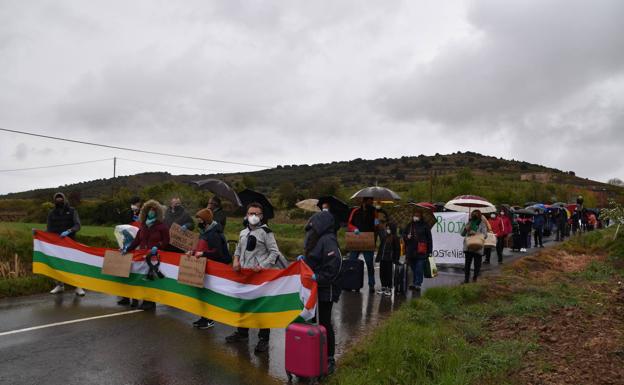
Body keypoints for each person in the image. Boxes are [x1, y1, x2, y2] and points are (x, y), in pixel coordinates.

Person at [225, 202, 286, 353]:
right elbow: (238, 249)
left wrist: (262, 266)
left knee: (262, 307)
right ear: (246, 215)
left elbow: (274, 253)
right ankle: (242, 333)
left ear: (261, 216)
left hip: (260, 276)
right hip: (244, 275)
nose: (253, 216)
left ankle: (264, 339)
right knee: (243, 304)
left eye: (256, 213)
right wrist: (235, 260)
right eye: (250, 213)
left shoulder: (266, 232)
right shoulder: (243, 232)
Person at [299, 210, 342, 373]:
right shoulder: (315, 238)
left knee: (324, 322)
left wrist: (320, 277)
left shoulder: (328, 239)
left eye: (313, 223)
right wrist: (303, 261)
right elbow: (312, 258)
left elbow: (335, 265)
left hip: (326, 288)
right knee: (312, 319)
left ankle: (329, 358)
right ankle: (314, 351)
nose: (311, 226)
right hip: (313, 288)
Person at [123, 199, 170, 310]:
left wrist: (157, 246)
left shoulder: (162, 226)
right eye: (149, 210)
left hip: (154, 257)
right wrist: (127, 249)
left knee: (151, 280)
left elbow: (166, 241)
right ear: (145, 211)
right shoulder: (143, 225)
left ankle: (150, 302)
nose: (151, 212)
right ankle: (144, 299)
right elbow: (137, 241)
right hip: (142, 256)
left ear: (158, 212)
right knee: (143, 279)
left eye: (153, 210)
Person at [189, 208, 231, 329]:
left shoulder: (214, 234)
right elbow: (202, 248)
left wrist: (203, 255)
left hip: (214, 269)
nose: (198, 221)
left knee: (209, 295)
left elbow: (217, 253)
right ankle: (204, 317)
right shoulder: (205, 232)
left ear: (206, 220)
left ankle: (209, 320)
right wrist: (193, 252)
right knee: (203, 294)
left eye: (200, 219)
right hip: (205, 267)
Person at [47, 192, 85, 296]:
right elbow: (48, 229)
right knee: (58, 264)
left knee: (72, 265)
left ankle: (77, 286)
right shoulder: (51, 213)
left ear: (64, 199)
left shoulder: (72, 211)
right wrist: (38, 234)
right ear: (54, 201)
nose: (59, 200)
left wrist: (69, 231)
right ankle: (60, 285)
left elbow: (78, 225)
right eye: (57, 199)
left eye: (61, 199)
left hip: (70, 242)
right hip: (57, 244)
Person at [347, 197, 378, 293]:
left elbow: (376, 224)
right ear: (365, 201)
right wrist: (354, 229)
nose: (372, 202)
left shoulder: (374, 211)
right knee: (352, 262)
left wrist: (376, 222)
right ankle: (352, 283)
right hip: (355, 239)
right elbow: (349, 224)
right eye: (370, 201)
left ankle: (371, 284)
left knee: (369, 263)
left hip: (368, 239)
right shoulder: (355, 211)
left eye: (372, 201)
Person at [402, 212, 433, 291]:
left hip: (421, 251)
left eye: (417, 215)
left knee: (419, 268)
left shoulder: (425, 225)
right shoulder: (409, 225)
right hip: (411, 251)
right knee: (413, 268)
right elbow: (404, 235)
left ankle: (418, 284)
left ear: (421, 216)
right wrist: (406, 237)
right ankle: (415, 282)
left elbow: (429, 239)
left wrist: (430, 250)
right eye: (414, 215)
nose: (416, 217)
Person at [461, 210, 488, 283]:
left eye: (476, 214)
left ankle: (474, 279)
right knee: (467, 265)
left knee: (477, 265)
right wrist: (465, 229)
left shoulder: (482, 224)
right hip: (468, 247)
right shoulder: (469, 222)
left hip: (478, 247)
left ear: (479, 215)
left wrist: (476, 233)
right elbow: (462, 234)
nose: (474, 215)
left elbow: (485, 235)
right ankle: (466, 280)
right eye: (473, 214)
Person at [376, 222, 400, 295]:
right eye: (387, 228)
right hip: (383, 258)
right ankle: (383, 286)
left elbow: (397, 249)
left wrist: (396, 259)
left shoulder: (395, 238)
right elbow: (380, 248)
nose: (387, 230)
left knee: (389, 274)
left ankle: (389, 288)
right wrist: (378, 257)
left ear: (392, 229)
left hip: (389, 259)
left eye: (389, 228)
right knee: (382, 273)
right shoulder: (384, 237)